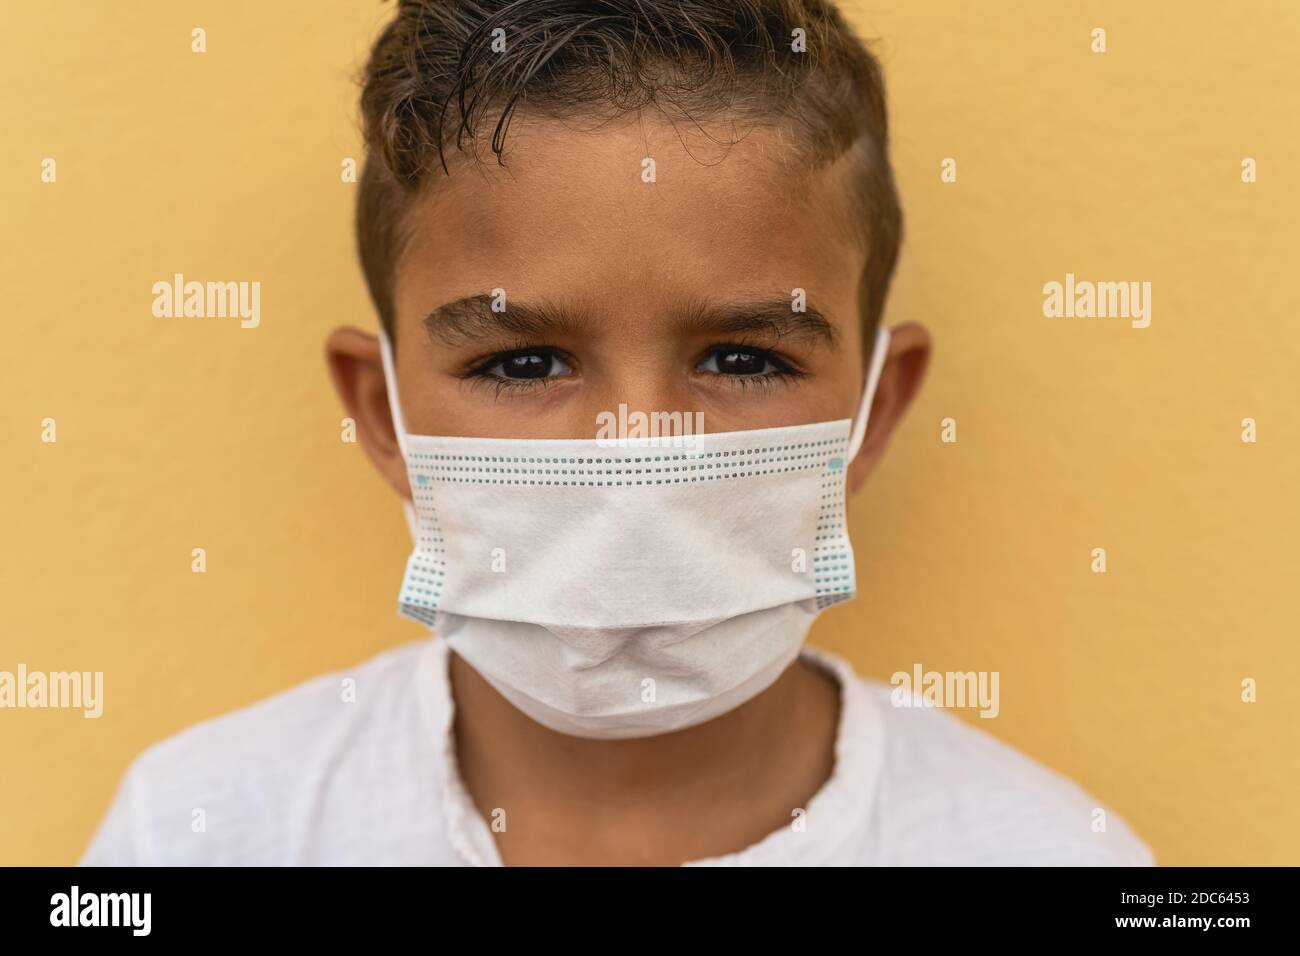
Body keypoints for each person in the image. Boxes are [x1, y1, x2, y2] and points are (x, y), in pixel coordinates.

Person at [81, 0, 1153, 866]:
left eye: (744, 358)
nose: (635, 452)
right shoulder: (195, 831)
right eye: (522, 362)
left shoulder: (1050, 854)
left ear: (871, 411)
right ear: (382, 413)